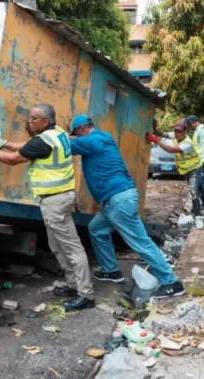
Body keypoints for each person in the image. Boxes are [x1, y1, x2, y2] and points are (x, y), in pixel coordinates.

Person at [0, 104, 95, 311]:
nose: (29, 121)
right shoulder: (56, 133)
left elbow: (13, 160)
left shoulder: (44, 141)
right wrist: (2, 142)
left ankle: (86, 295)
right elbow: (26, 146)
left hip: (55, 201)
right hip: (59, 198)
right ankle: (72, 285)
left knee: (71, 248)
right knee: (57, 246)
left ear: (45, 121)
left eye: (33, 118)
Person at [70, 114, 185, 298]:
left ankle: (171, 282)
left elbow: (62, 146)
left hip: (119, 200)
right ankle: (111, 270)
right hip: (115, 200)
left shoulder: (93, 140)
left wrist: (56, 137)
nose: (77, 137)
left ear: (81, 129)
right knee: (96, 229)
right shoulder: (102, 137)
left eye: (76, 133)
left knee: (140, 242)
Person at [147, 122, 204, 217]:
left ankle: (198, 214)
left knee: (193, 191)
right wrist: (154, 129)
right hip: (186, 170)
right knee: (198, 189)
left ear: (185, 131)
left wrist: (156, 141)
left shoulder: (187, 144)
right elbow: (162, 134)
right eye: (175, 131)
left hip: (195, 169)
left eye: (179, 131)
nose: (177, 133)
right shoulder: (175, 135)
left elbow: (170, 149)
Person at [185, 115, 204, 209]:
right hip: (200, 159)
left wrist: (203, 160)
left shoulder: (203, 131)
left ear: (194, 122)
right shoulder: (198, 131)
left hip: (203, 160)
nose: (190, 127)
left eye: (190, 124)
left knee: (203, 181)